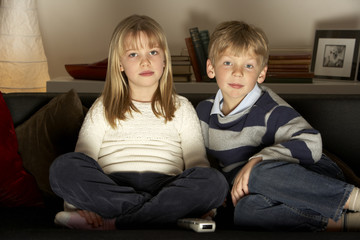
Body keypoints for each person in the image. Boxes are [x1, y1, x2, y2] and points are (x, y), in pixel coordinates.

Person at [49, 14, 228, 230]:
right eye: (133, 54)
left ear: (164, 60)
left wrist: (206, 203)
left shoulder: (182, 107)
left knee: (214, 182)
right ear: (120, 64)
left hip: (166, 187)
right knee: (63, 167)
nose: (145, 61)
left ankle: (114, 221)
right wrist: (78, 204)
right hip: (113, 186)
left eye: (153, 52)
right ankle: (163, 215)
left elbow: (196, 163)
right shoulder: (104, 105)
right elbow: (84, 157)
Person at [195, 20, 360, 232]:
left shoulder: (268, 108)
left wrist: (257, 160)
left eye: (248, 65)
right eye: (228, 63)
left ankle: (354, 200)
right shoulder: (204, 113)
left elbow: (312, 143)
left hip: (310, 176)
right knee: (245, 211)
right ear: (211, 68)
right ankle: (345, 222)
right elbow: (204, 165)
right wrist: (210, 199)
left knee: (257, 174)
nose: (238, 73)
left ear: (261, 74)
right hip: (260, 191)